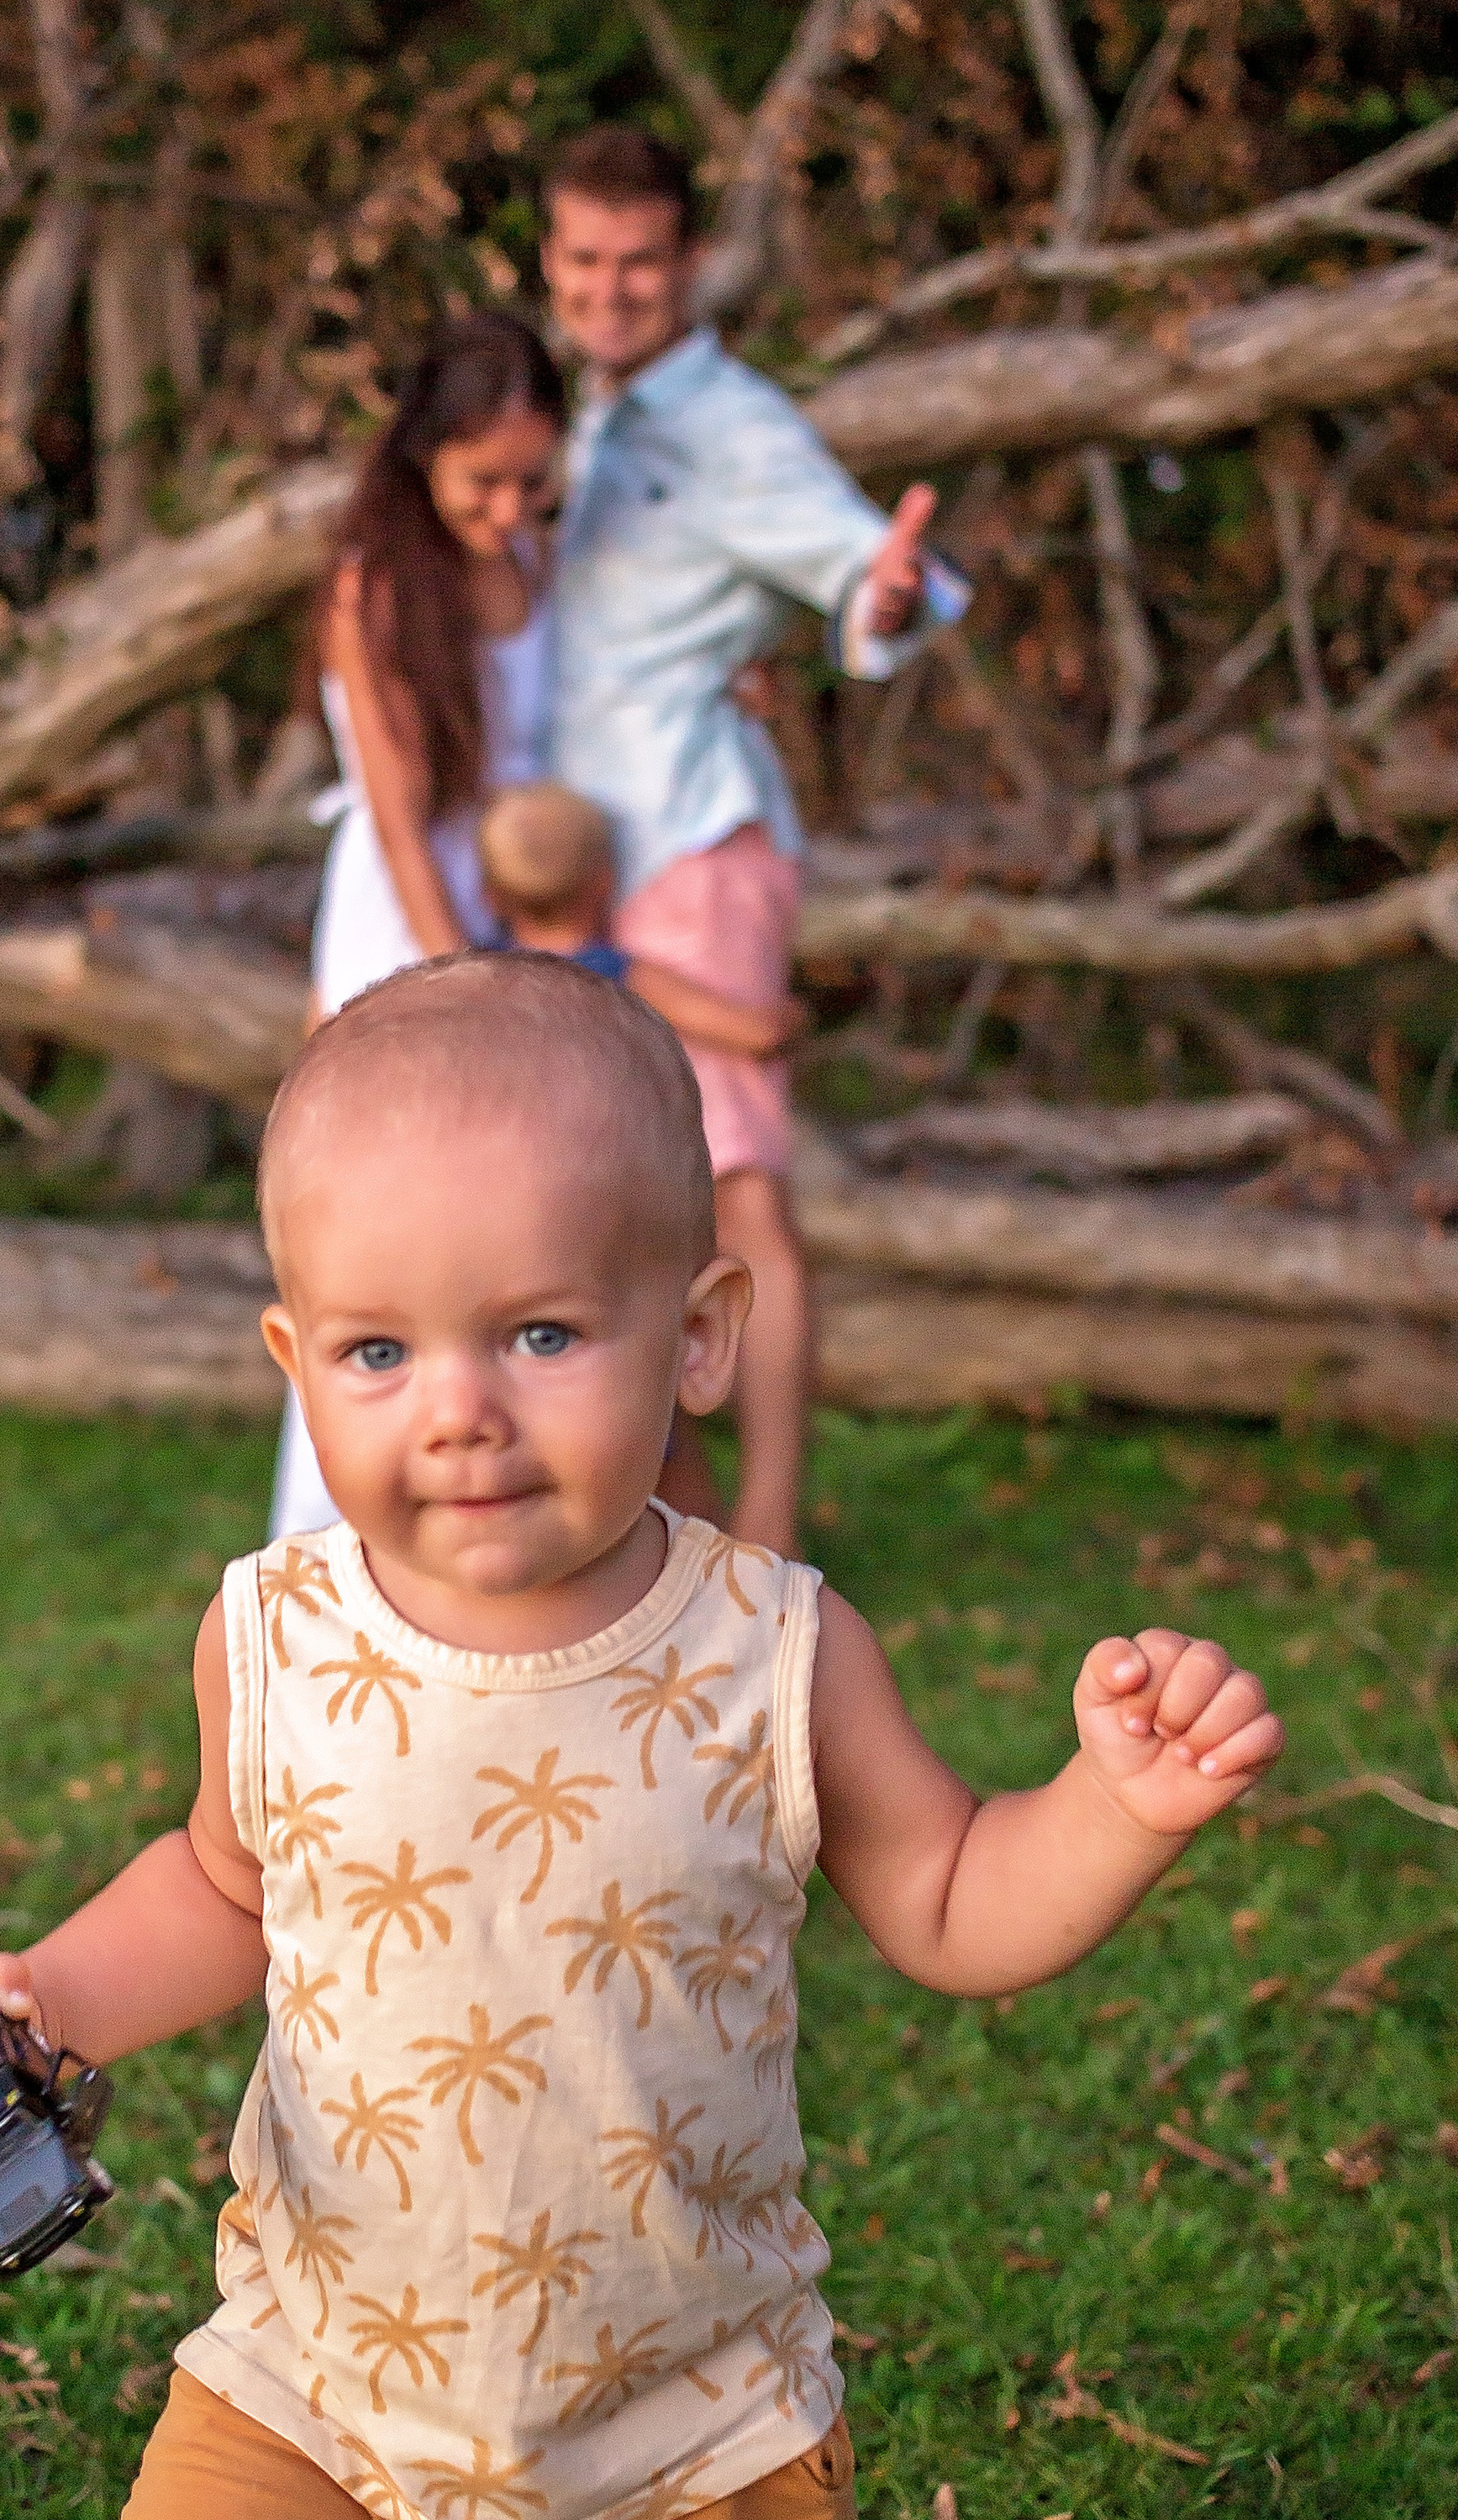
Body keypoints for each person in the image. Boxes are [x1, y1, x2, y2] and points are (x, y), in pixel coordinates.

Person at [0, 952, 1283, 2520]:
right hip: (326, 2356)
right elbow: (223, 1888)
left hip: (674, 2396)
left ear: (696, 1334)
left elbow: (956, 1897)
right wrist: (30, 2004)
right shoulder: (276, 1639)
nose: (462, 1412)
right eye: (385, 1351)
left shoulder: (771, 1654)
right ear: (294, 1364)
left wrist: (1120, 1812)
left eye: (540, 1334)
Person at [542, 125, 969, 1558]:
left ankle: (774, 1540)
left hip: (696, 842)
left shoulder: (732, 424)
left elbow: (866, 569)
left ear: (692, 265)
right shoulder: (590, 417)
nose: (611, 289)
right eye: (585, 261)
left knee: (741, 1198)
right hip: (606, 854)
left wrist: (888, 599)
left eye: (640, 262)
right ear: (554, 263)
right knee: (632, 1192)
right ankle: (677, 1518)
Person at [270, 310, 566, 1542]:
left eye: (531, 482)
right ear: (421, 457)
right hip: (408, 925)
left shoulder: (539, 566)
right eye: (481, 481)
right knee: (386, 1243)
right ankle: (338, 1526)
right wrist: (463, 981)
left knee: (523, 1224)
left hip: (526, 906)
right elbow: (399, 823)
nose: (507, 508)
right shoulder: (375, 585)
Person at [477, 780, 805, 1075]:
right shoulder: (608, 973)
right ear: (604, 883)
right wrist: (796, 1017)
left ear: (489, 896)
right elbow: (759, 1035)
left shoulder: (478, 970)